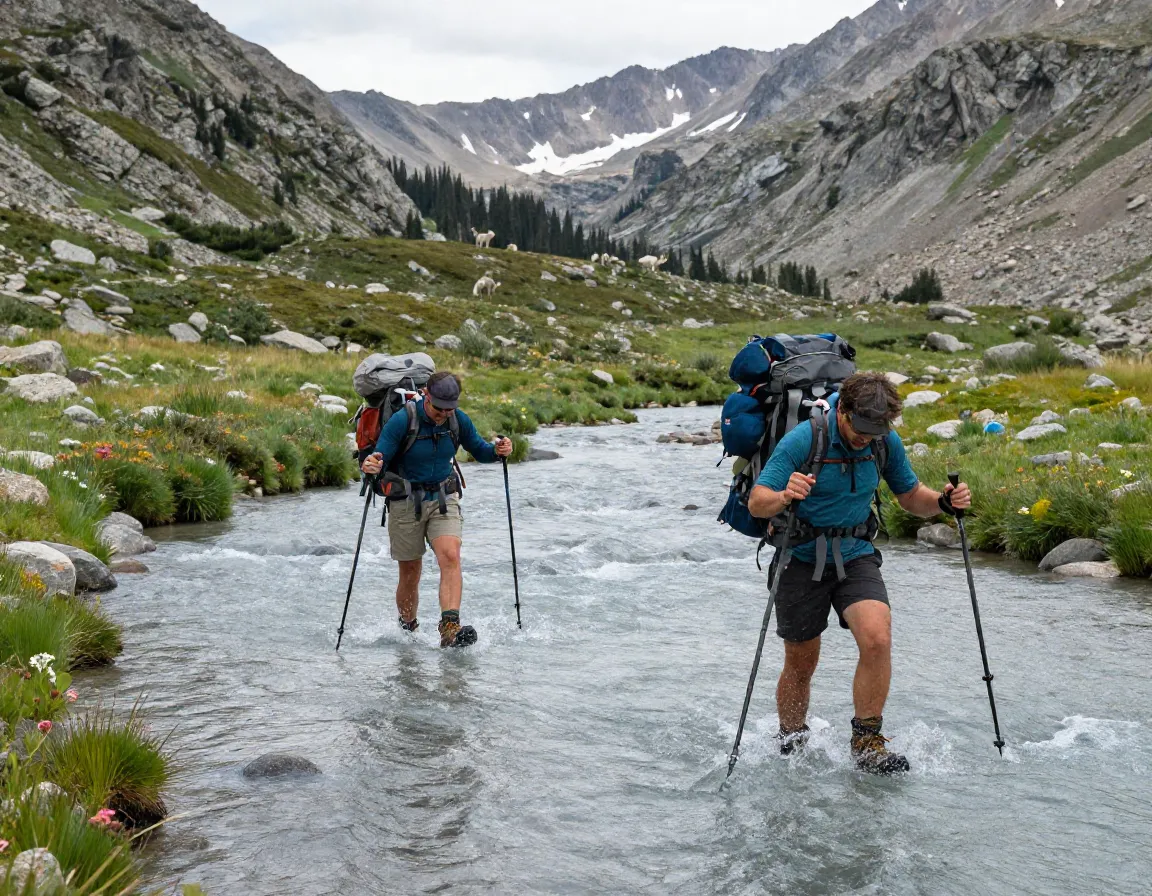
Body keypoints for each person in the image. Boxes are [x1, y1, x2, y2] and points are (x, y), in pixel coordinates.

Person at [747, 371, 971, 774]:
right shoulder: (805, 438)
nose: (864, 438)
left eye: (875, 431)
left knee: (877, 637)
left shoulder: (884, 442)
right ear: (842, 410)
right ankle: (792, 739)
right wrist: (784, 495)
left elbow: (910, 497)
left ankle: (867, 743)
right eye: (859, 429)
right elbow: (757, 502)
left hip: (854, 554)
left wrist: (943, 502)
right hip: (799, 557)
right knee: (802, 662)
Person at [361, 371, 513, 648]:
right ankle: (407, 629)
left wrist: (499, 450)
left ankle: (450, 628)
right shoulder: (402, 420)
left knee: (450, 556)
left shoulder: (458, 419)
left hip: (444, 496)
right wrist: (372, 465)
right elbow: (380, 456)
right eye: (438, 407)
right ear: (426, 396)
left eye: (449, 408)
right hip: (404, 501)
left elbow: (480, 451)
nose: (443, 413)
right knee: (410, 571)